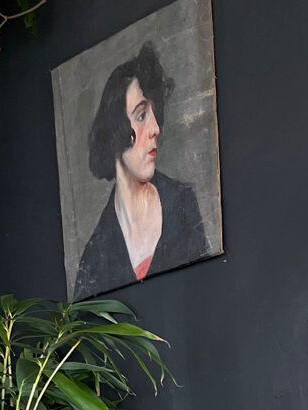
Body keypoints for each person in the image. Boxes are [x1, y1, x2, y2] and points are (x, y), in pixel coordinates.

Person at [73, 41, 208, 298]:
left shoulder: (183, 204)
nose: (155, 129)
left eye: (154, 115)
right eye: (141, 115)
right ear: (115, 131)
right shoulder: (95, 257)